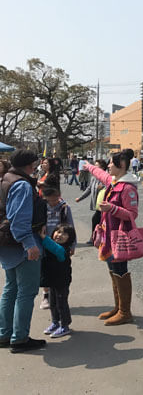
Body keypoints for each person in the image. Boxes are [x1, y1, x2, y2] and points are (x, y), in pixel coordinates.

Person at [83, 148, 139, 326]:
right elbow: (101, 174)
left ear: (121, 165)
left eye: (111, 164)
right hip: (108, 236)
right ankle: (118, 308)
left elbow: (132, 214)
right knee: (113, 270)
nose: (108, 166)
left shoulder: (127, 188)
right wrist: (89, 167)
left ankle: (125, 312)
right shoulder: (114, 182)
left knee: (120, 270)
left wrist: (112, 209)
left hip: (119, 237)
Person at [0, 149, 46, 353]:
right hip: (21, 245)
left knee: (10, 289)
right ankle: (19, 338)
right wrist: (30, 244)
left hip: (7, 244)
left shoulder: (7, 178)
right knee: (26, 292)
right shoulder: (22, 185)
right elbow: (19, 220)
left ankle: (4, 334)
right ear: (30, 165)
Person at [39, 187, 76, 310]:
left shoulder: (64, 208)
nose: (52, 203)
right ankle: (46, 296)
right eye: (49, 200)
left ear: (59, 195)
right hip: (44, 244)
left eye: (55, 199)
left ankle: (60, 296)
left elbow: (71, 227)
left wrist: (72, 245)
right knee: (45, 270)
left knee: (60, 271)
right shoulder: (42, 207)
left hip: (60, 245)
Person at [40, 223, 76, 338]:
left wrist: (44, 237)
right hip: (52, 280)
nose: (60, 235)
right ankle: (55, 322)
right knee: (53, 303)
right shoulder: (52, 245)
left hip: (62, 281)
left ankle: (65, 326)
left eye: (64, 234)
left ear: (70, 238)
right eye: (58, 231)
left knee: (61, 304)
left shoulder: (64, 249)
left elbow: (56, 249)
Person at [75, 159, 108, 245]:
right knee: (98, 220)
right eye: (94, 165)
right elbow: (89, 189)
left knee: (97, 219)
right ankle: (97, 238)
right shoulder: (93, 177)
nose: (94, 167)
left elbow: (111, 186)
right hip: (97, 205)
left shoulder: (106, 177)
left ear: (103, 167)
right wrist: (80, 198)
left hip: (105, 204)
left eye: (97, 166)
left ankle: (95, 238)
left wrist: (104, 186)